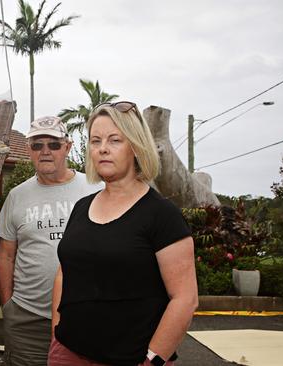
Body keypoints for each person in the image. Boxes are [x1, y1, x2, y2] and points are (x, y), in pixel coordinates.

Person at [49, 102, 198, 366]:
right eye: (95, 141)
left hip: (132, 359)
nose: (103, 148)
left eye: (114, 140)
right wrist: (56, 331)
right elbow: (64, 272)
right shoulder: (82, 207)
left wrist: (152, 359)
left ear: (136, 147)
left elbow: (185, 299)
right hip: (68, 352)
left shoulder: (162, 215)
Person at [0, 116, 103, 366]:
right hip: (27, 319)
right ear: (29, 151)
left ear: (66, 147)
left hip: (83, 314)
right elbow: (6, 254)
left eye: (53, 144)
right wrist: (8, 306)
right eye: (37, 145)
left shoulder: (94, 189)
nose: (45, 151)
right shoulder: (17, 196)